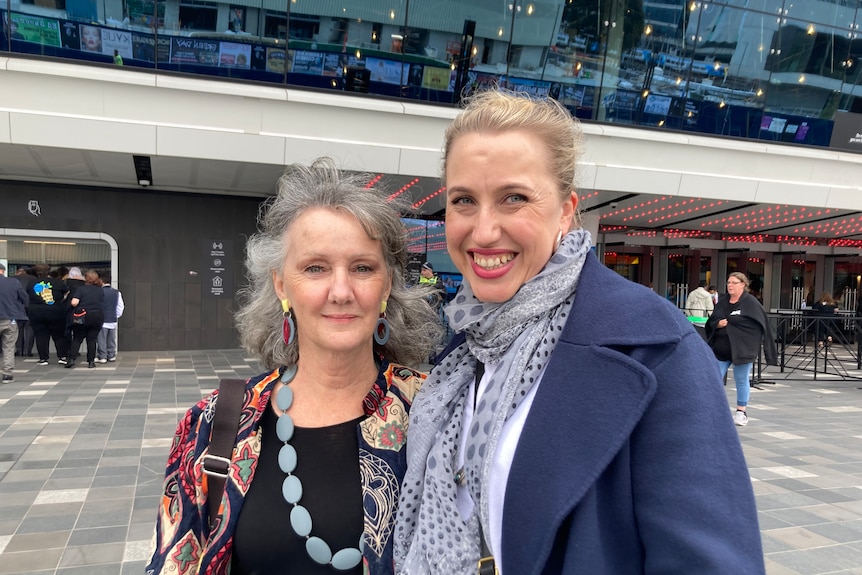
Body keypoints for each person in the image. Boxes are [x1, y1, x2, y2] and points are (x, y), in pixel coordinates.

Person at [395, 90, 764, 574]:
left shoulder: (655, 349)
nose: (483, 232)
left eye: (514, 198)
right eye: (464, 200)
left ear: (566, 212)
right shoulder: (466, 345)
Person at [147, 158, 442, 575]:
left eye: (362, 268)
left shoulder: (439, 410)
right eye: (315, 268)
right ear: (282, 285)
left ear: (386, 285)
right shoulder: (216, 424)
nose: (340, 291)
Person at [705, 272, 777, 427]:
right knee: (713, 378)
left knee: (741, 379)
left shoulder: (750, 302)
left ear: (743, 284)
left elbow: (759, 325)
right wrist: (718, 324)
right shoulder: (723, 301)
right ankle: (713, 410)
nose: (730, 285)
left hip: (743, 349)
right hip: (722, 349)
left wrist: (733, 322)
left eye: (734, 282)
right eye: (728, 282)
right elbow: (712, 320)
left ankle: (741, 412)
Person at [27, 264, 70, 366]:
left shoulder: (31, 283)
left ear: (37, 272)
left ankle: (43, 358)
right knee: (59, 335)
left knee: (41, 335)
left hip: (36, 312)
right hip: (56, 311)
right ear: (49, 271)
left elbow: (28, 294)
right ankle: (62, 357)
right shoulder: (57, 282)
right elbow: (67, 291)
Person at [66, 270, 104, 369]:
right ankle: (91, 361)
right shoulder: (100, 290)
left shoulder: (81, 289)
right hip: (97, 316)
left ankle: (71, 359)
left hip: (82, 316)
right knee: (91, 340)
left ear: (86, 278)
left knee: (77, 338)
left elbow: (74, 303)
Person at [0, 264, 29, 383]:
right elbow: (25, 298)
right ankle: (7, 374)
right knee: (8, 347)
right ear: (3, 271)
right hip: (9, 318)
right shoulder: (13, 282)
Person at [96, 273, 124, 363]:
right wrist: (116, 315)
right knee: (111, 339)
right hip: (112, 319)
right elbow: (120, 306)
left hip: (102, 319)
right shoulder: (117, 292)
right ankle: (111, 355)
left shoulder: (99, 292)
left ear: (101, 280)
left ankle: (102, 356)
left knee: (101, 339)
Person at [14, 267, 36, 357]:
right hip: (31, 306)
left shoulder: (13, 279)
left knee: (18, 329)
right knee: (30, 328)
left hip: (17, 307)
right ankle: (27, 351)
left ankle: (19, 350)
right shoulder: (33, 279)